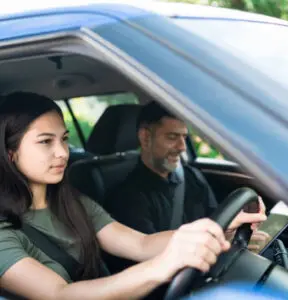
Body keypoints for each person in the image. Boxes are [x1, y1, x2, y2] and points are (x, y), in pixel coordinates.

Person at [0, 92, 233, 300]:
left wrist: (216, 233)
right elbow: (60, 294)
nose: (62, 153)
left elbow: (140, 244)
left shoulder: (71, 201)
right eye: (45, 142)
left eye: (64, 139)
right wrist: (162, 267)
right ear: (10, 153)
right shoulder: (3, 232)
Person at [105, 101, 288, 274]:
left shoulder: (192, 176)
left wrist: (246, 231)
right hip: (188, 278)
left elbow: (218, 218)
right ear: (145, 137)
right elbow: (148, 263)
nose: (182, 147)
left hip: (220, 257)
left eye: (184, 137)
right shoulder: (127, 197)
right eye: (172, 137)